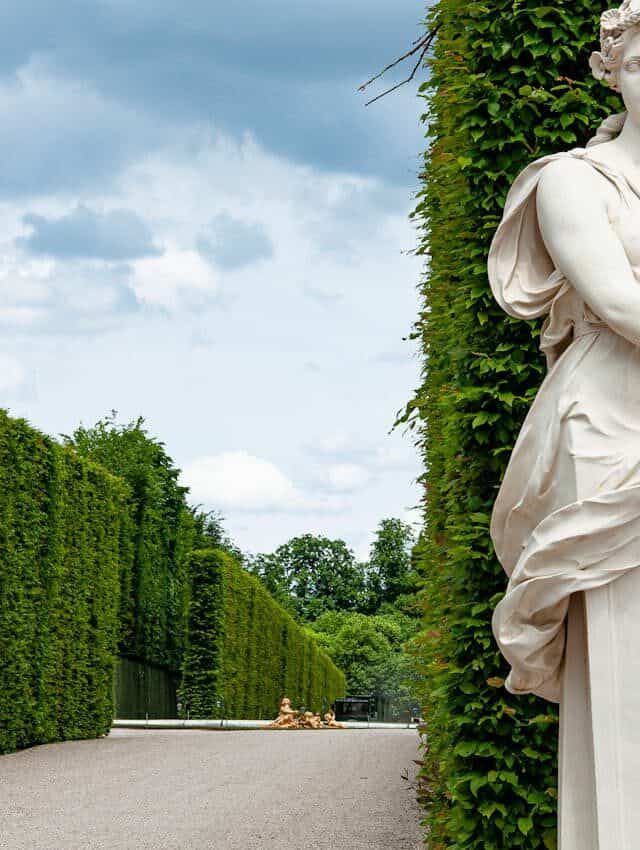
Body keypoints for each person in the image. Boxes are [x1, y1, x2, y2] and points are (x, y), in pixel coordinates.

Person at [489, 1, 640, 844]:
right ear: (610, 69)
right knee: (623, 668)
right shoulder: (573, 180)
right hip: (614, 417)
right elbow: (619, 301)